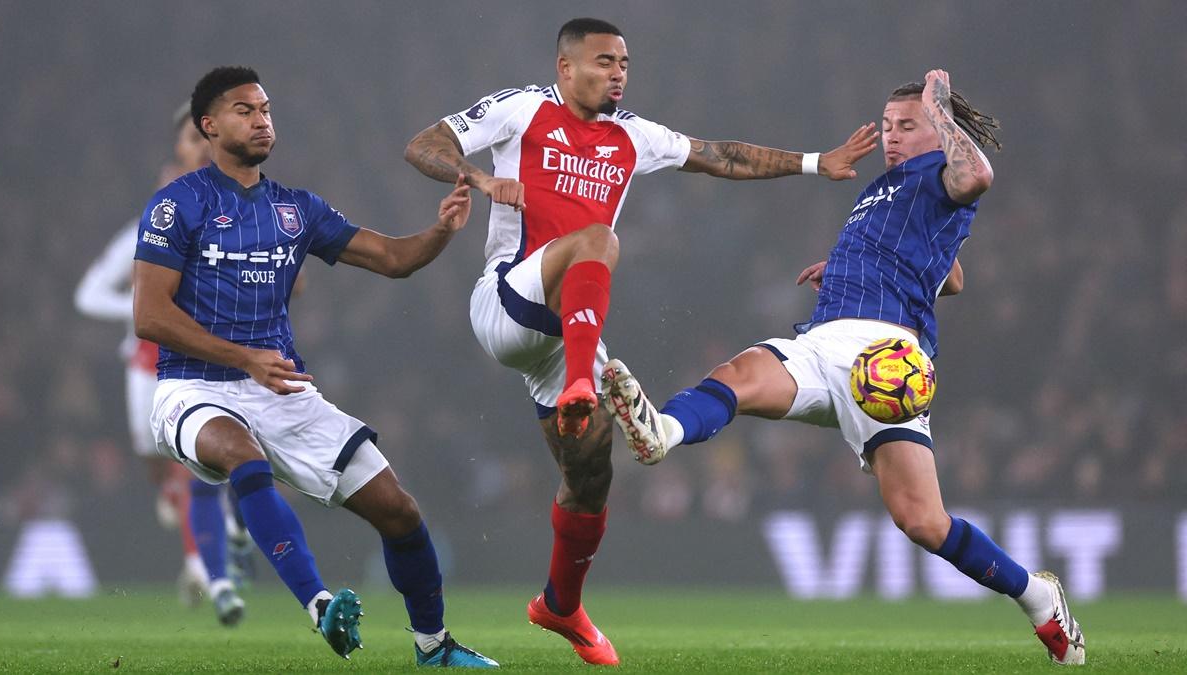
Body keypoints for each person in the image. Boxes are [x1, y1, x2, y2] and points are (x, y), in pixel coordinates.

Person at [404, 17, 878, 666]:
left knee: (590, 474)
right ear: (566, 68)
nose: (619, 72)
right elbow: (425, 145)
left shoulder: (635, 136)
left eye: (625, 62)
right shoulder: (522, 109)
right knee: (600, 239)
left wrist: (815, 162)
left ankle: (561, 603)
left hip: (569, 331)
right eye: (604, 61)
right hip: (507, 301)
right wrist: (481, 181)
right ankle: (579, 380)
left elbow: (719, 155)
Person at [601, 69, 1086, 666]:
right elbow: (949, 275)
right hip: (825, 339)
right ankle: (661, 433)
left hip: (885, 360)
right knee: (740, 372)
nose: (892, 136)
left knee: (923, 522)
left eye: (908, 126)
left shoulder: (942, 172)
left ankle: (1037, 596)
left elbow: (978, 175)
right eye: (887, 125)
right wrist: (854, 264)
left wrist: (941, 105)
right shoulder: (887, 191)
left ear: (940, 132)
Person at [132, 66, 497, 668]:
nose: (261, 119)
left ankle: (434, 646)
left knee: (399, 510)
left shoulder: (295, 210)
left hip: (280, 388)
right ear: (209, 124)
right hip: (193, 387)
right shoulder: (177, 205)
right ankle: (318, 603)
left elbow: (392, 258)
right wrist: (243, 357)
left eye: (266, 109)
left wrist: (441, 230)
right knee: (242, 454)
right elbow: (149, 315)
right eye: (245, 109)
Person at [75, 102, 251, 624]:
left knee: (196, 457)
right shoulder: (144, 226)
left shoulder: (232, 216)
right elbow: (88, 294)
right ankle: (197, 524)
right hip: (145, 361)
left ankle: (204, 561)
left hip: (199, 361)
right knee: (154, 454)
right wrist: (137, 312)